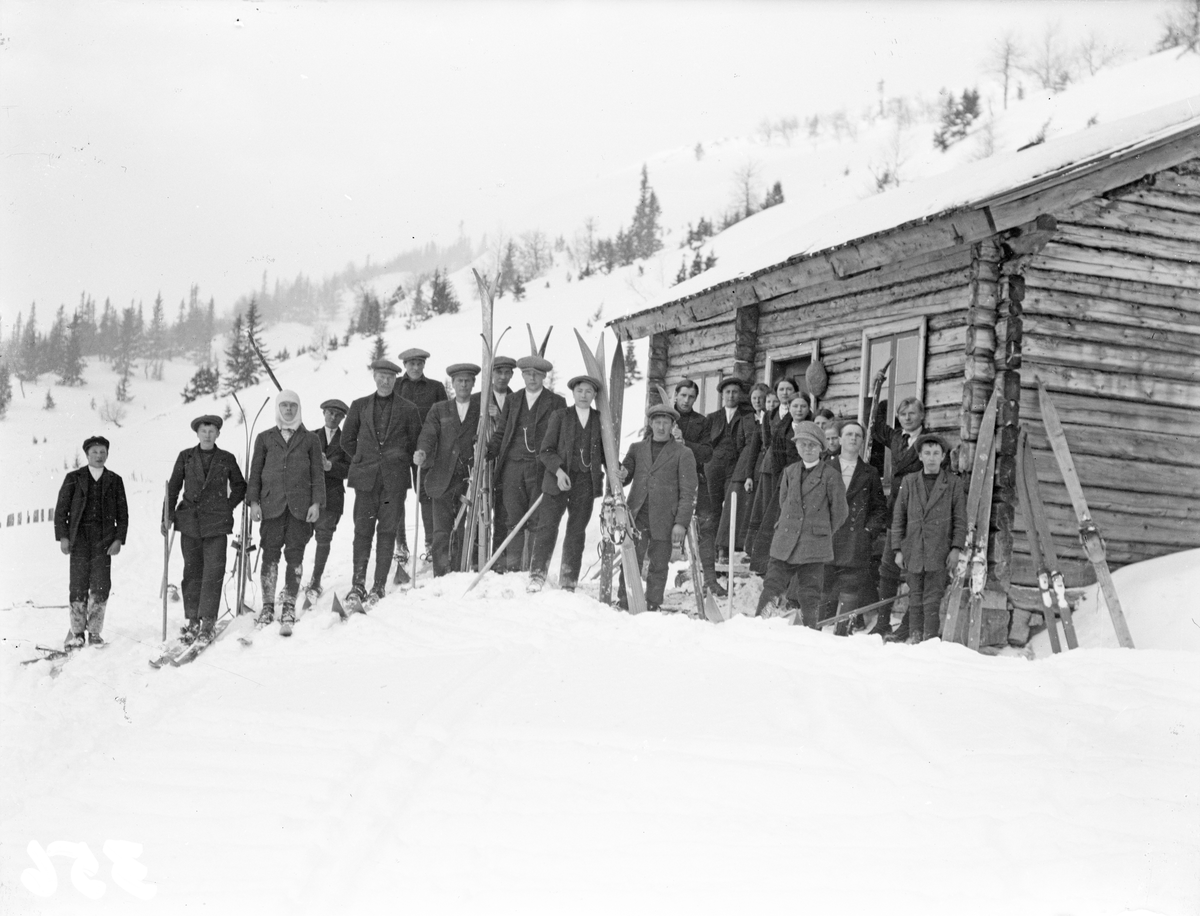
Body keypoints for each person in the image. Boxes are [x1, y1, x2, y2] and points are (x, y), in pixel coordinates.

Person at [342, 359, 423, 603]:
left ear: (395, 379)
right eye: (381, 376)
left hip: (395, 481)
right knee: (362, 531)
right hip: (366, 481)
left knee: (387, 532)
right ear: (374, 377)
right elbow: (346, 441)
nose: (385, 381)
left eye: (390, 377)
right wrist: (362, 459)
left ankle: (378, 586)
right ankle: (357, 585)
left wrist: (406, 459)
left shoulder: (409, 409)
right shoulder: (359, 406)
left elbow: (415, 443)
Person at [755, 421, 848, 627]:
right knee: (772, 584)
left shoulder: (831, 476)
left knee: (810, 591)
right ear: (796, 447)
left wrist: (820, 532)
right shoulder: (789, 472)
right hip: (785, 540)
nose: (807, 449)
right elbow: (784, 503)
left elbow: (840, 513)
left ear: (821, 449)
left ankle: (810, 630)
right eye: (803, 444)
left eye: (812, 445)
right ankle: (758, 624)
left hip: (813, 544)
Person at [247, 390, 325, 630]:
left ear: (298, 408)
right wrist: (253, 502)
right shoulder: (264, 438)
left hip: (300, 508)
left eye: (293, 406)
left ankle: (289, 605)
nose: (289, 410)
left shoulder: (311, 439)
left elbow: (317, 474)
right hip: (271, 507)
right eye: (284, 406)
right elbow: (255, 473)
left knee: (295, 555)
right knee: (269, 554)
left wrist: (316, 503)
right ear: (278, 409)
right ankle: (268, 606)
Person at [165, 415, 247, 643]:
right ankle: (192, 620)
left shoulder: (226, 458)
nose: (208, 435)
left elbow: (240, 486)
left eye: (212, 431)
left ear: (218, 434)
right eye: (204, 431)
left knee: (213, 572)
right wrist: (167, 516)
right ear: (197, 433)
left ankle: (208, 621)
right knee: (192, 572)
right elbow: (173, 487)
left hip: (217, 525)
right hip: (190, 522)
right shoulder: (186, 457)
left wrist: (226, 506)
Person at [487, 351, 566, 574]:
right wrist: (489, 449)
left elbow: (561, 438)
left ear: (544, 377)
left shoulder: (556, 402)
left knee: (535, 520)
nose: (532, 379)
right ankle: (513, 569)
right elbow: (501, 432)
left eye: (537, 375)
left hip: (540, 469)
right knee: (513, 518)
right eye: (528, 374)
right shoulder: (513, 400)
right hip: (512, 468)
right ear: (522, 376)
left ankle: (531, 569)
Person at [617, 400, 698, 611]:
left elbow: (688, 492)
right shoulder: (637, 448)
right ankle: (625, 600)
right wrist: (621, 473)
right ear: (650, 424)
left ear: (672, 426)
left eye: (666, 423)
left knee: (659, 565)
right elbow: (625, 475)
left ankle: (653, 603)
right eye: (657, 422)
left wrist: (681, 523)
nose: (661, 427)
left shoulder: (683, 453)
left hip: (665, 518)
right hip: (637, 514)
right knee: (631, 559)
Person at [529, 374, 606, 592]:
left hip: (586, 483)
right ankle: (537, 575)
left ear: (594, 395)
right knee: (547, 527)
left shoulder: (599, 419)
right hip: (558, 480)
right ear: (573, 393)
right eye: (580, 391)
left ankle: (569, 580)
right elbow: (546, 451)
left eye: (588, 391)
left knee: (576, 531)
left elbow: (604, 452)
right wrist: (559, 471)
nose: (584, 395)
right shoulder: (560, 416)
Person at [54, 435, 129, 648]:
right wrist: (64, 537)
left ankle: (95, 632)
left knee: (101, 585)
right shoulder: (73, 478)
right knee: (78, 584)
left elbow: (123, 515)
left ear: (107, 454)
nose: (99, 456)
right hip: (79, 540)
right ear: (87, 454)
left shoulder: (115, 480)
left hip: (104, 541)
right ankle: (77, 632)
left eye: (103, 452)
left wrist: (118, 540)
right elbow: (61, 511)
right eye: (94, 452)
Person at [891, 434, 966, 643]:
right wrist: (897, 549)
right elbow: (899, 517)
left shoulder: (952, 483)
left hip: (939, 550)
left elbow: (960, 519)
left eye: (936, 453)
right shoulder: (909, 481)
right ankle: (915, 637)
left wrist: (956, 548)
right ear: (920, 457)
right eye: (927, 453)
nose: (931, 458)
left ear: (943, 457)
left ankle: (929, 639)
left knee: (933, 597)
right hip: (913, 549)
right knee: (915, 596)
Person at [413, 363, 481, 577]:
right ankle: (441, 573)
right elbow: (428, 434)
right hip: (443, 477)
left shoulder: (481, 409)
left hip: (470, 479)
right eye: (459, 380)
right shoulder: (440, 409)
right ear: (452, 384)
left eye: (467, 380)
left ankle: (461, 571)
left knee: (465, 527)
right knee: (441, 529)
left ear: (473, 383)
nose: (463, 384)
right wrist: (422, 452)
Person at [820, 419, 887, 635]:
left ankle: (842, 632)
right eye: (849, 434)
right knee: (823, 585)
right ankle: (814, 633)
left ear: (862, 441)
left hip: (855, 539)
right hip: (827, 538)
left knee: (850, 587)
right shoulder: (825, 469)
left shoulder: (870, 473)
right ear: (839, 439)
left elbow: (879, 509)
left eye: (858, 435)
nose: (853, 438)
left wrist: (867, 532)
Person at [870, 395, 927, 639]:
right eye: (903, 414)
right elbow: (875, 427)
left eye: (911, 413)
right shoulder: (896, 437)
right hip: (895, 511)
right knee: (887, 568)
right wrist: (878, 397)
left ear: (922, 415)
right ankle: (883, 622)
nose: (907, 418)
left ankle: (907, 625)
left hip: (916, 513)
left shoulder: (928, 442)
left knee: (914, 570)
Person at [394, 347, 445, 571]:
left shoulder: (435, 388)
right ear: (405, 365)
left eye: (419, 363)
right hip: (398, 451)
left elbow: (446, 417)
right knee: (395, 496)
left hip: (426, 451)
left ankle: (430, 543)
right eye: (411, 363)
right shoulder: (394, 386)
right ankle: (400, 545)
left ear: (424, 364)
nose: (415, 367)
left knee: (426, 495)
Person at [672, 380, 719, 595]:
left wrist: (685, 444)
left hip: (696, 480)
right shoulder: (663, 417)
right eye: (683, 395)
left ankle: (709, 579)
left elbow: (707, 452)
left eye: (691, 397)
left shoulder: (702, 422)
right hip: (668, 481)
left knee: (706, 527)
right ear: (675, 395)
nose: (686, 400)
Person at [703, 377, 755, 566]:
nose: (731, 395)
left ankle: (727, 548)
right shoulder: (712, 418)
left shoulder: (747, 416)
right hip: (714, 466)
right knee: (714, 507)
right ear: (722, 395)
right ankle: (715, 551)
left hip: (735, 467)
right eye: (728, 392)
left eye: (735, 392)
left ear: (739, 394)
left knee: (732, 507)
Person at [305, 399, 350, 599]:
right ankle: (293, 580)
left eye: (338, 415)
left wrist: (330, 467)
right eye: (330, 413)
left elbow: (350, 468)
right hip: (308, 497)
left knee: (323, 538)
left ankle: (315, 581)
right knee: (298, 539)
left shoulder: (347, 441)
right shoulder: (309, 437)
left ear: (342, 418)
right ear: (324, 413)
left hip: (332, 498)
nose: (333, 417)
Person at [487, 355, 518, 562]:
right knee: (480, 511)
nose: (503, 377)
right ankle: (476, 558)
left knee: (504, 512)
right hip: (485, 464)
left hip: (507, 466)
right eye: (499, 372)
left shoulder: (517, 400)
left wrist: (499, 419)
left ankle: (499, 558)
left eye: (507, 373)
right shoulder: (479, 399)